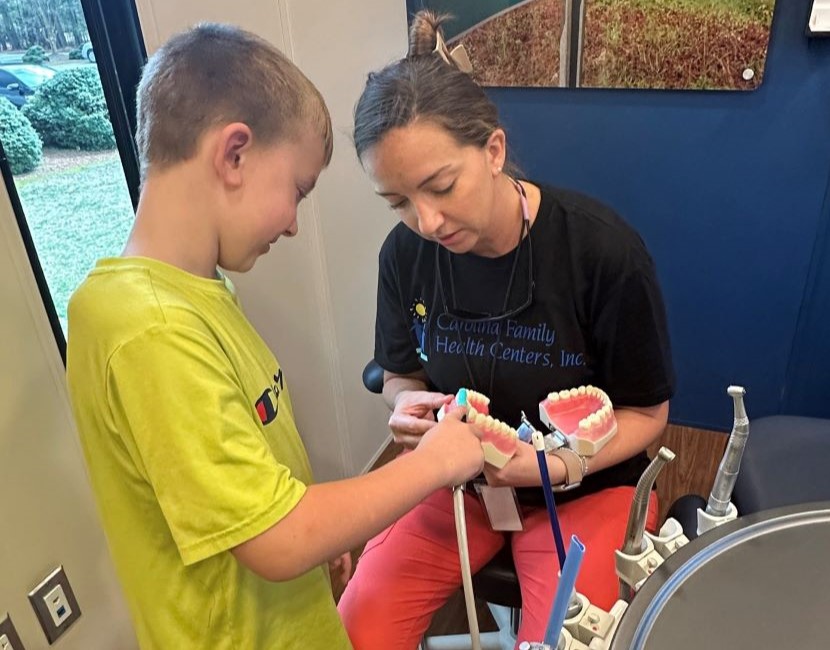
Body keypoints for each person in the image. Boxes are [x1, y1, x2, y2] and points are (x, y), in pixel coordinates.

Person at [65, 23, 484, 649]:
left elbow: (248, 485)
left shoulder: (198, 296)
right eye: (297, 191)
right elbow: (276, 539)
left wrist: (321, 524)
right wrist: (437, 461)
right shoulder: (150, 330)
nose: (292, 224)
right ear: (234, 154)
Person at [338, 10, 676, 647]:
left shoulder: (601, 253)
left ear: (492, 150)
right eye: (399, 202)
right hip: (457, 486)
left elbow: (649, 413)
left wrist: (558, 466)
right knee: (353, 633)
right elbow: (399, 373)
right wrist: (408, 403)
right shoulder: (404, 256)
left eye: (442, 186)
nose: (428, 222)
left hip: (585, 489)